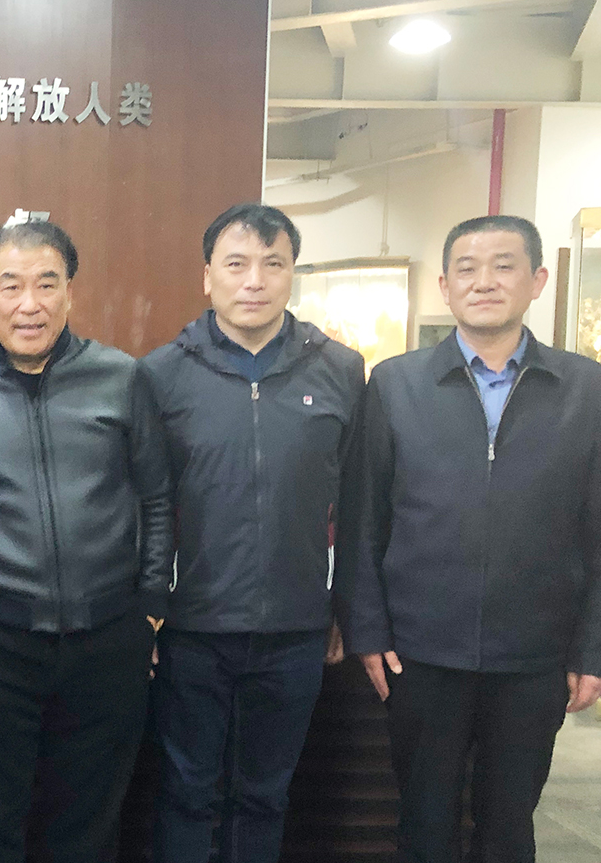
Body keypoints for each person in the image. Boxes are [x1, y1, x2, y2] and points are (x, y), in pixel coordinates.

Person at [337, 214, 601, 863]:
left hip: (534, 653)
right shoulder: (397, 383)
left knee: (509, 825)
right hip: (421, 652)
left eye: (504, 266)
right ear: (445, 286)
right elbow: (364, 518)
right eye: (466, 269)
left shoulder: (584, 387)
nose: (484, 282)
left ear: (537, 280)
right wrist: (367, 631)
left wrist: (600, 647)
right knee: (424, 821)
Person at [0, 220, 174, 863]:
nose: (29, 304)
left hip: (108, 636)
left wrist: (148, 604)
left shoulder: (121, 378)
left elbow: (157, 497)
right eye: (11, 286)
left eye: (46, 284)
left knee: (90, 821)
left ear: (69, 293)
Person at [141, 204, 366, 863]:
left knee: (265, 794)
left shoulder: (340, 369)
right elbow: (143, 504)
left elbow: (357, 503)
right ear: (207, 275)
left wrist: (345, 607)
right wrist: (145, 610)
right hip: (191, 626)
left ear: (293, 274)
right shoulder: (161, 373)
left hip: (295, 628)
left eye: (273, 264)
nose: (254, 281)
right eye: (236, 264)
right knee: (186, 791)